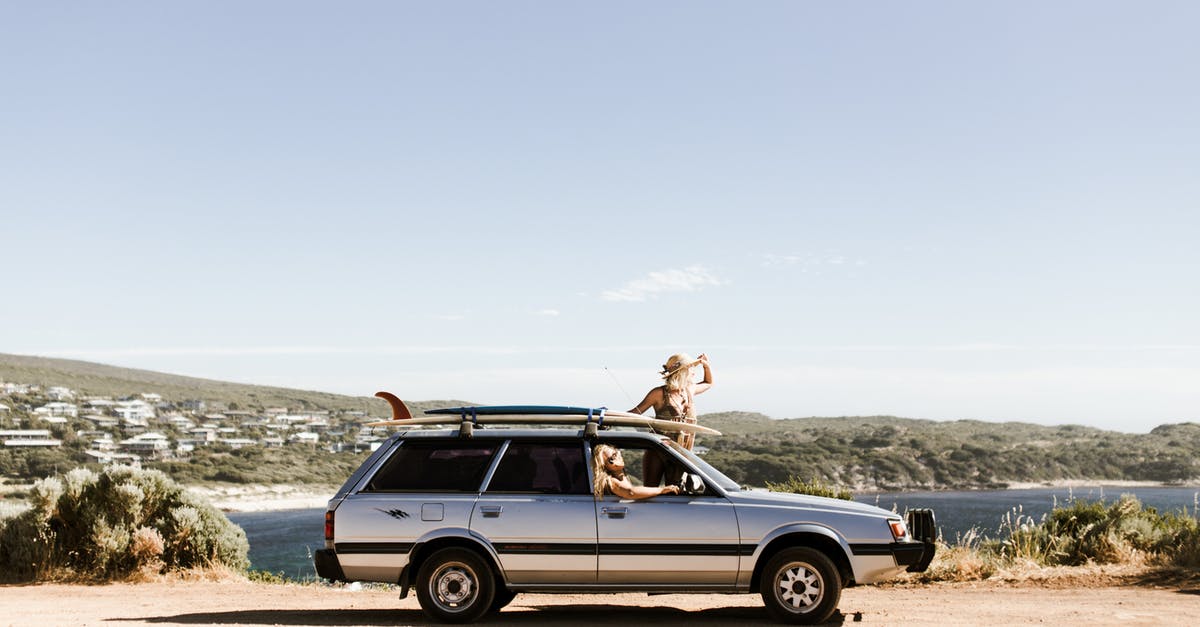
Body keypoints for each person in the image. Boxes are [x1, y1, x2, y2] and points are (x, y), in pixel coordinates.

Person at [628, 352, 713, 487]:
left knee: (676, 492)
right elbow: (634, 413)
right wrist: (604, 416)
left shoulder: (689, 390)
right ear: (682, 372)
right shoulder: (658, 393)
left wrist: (706, 366)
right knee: (650, 490)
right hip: (658, 450)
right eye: (691, 369)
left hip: (682, 453)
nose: (694, 373)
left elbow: (708, 382)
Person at [591, 444, 680, 500]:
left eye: (616, 453)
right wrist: (662, 490)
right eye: (611, 458)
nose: (617, 457)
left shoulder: (623, 476)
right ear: (604, 466)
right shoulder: (611, 481)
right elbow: (631, 492)